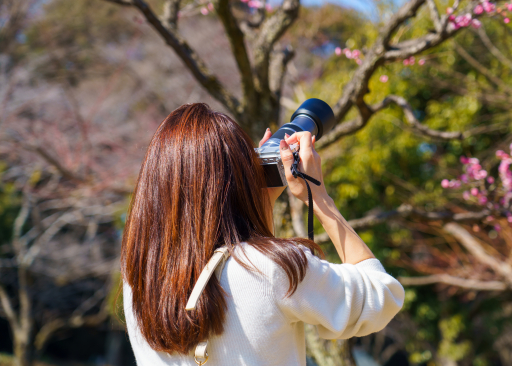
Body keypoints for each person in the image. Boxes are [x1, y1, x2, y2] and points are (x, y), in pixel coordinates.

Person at [121, 103, 404, 365]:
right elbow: (382, 298)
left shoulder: (137, 275)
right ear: (239, 179)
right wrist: (318, 195)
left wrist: (259, 201)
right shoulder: (274, 269)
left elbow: (231, 265)